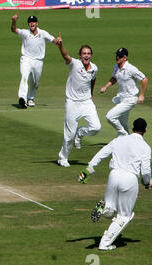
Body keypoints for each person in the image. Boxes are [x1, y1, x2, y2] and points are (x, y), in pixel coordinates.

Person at [78, 118, 152, 250]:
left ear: (132, 127)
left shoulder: (120, 139)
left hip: (113, 175)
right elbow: (146, 171)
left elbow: (102, 153)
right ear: (145, 131)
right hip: (129, 179)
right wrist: (147, 182)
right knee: (125, 216)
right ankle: (105, 243)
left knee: (110, 211)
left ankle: (105, 208)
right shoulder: (145, 147)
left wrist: (89, 168)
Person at [54, 33, 101, 167]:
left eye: (88, 53)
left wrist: (91, 94)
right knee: (69, 134)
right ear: (80, 55)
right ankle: (63, 158)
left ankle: (80, 133)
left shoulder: (94, 68)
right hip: (72, 102)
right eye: (84, 53)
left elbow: (93, 80)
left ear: (91, 55)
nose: (86, 55)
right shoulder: (74, 64)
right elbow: (65, 56)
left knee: (96, 127)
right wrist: (60, 45)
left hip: (87, 102)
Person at [11, 13, 58, 109]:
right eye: (30, 22)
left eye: (33, 22)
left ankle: (30, 98)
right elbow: (14, 30)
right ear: (28, 24)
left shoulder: (43, 33)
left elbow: (54, 40)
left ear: (37, 23)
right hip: (26, 59)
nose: (32, 24)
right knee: (24, 77)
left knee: (35, 82)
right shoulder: (25, 32)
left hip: (38, 61)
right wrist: (14, 21)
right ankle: (22, 98)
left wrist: (58, 40)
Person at [100, 48, 148, 136]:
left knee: (110, 117)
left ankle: (123, 134)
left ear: (125, 58)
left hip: (130, 99)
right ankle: (127, 139)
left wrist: (141, 95)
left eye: (120, 56)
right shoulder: (116, 67)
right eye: (117, 55)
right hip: (121, 99)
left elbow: (144, 79)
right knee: (123, 122)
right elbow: (114, 78)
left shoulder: (131, 69)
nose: (118, 57)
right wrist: (105, 87)